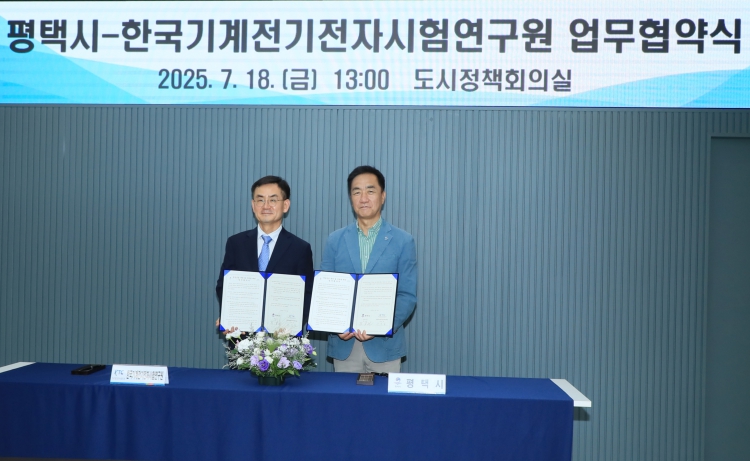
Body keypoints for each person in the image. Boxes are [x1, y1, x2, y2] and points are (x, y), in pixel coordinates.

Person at [321, 166, 417, 373]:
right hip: (344, 345)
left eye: (370, 191)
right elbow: (326, 293)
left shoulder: (403, 241)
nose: (363, 198)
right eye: (357, 192)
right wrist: (336, 326)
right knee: (344, 395)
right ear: (351, 198)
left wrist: (381, 326)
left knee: (385, 396)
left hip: (385, 347)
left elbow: (407, 296)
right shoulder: (335, 240)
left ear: (383, 196)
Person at [215, 176, 314, 334]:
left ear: (285, 205)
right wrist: (229, 316)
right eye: (260, 200)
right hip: (242, 336)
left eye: (273, 200)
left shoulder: (300, 248)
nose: (266, 206)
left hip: (282, 341)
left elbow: (306, 294)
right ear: (253, 205)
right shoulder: (236, 243)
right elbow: (224, 286)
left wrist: (290, 327)